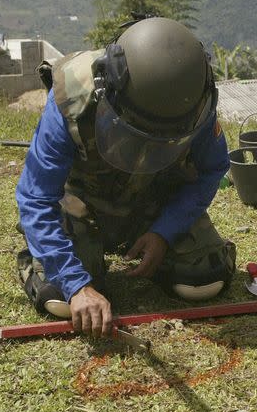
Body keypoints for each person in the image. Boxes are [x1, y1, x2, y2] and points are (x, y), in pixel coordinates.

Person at [15, 17, 236, 337]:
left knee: (205, 280)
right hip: (83, 203)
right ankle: (40, 260)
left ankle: (155, 258)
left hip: (153, 202)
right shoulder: (72, 96)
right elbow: (35, 196)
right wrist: (77, 285)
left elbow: (212, 169)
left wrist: (164, 231)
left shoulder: (195, 104)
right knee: (60, 299)